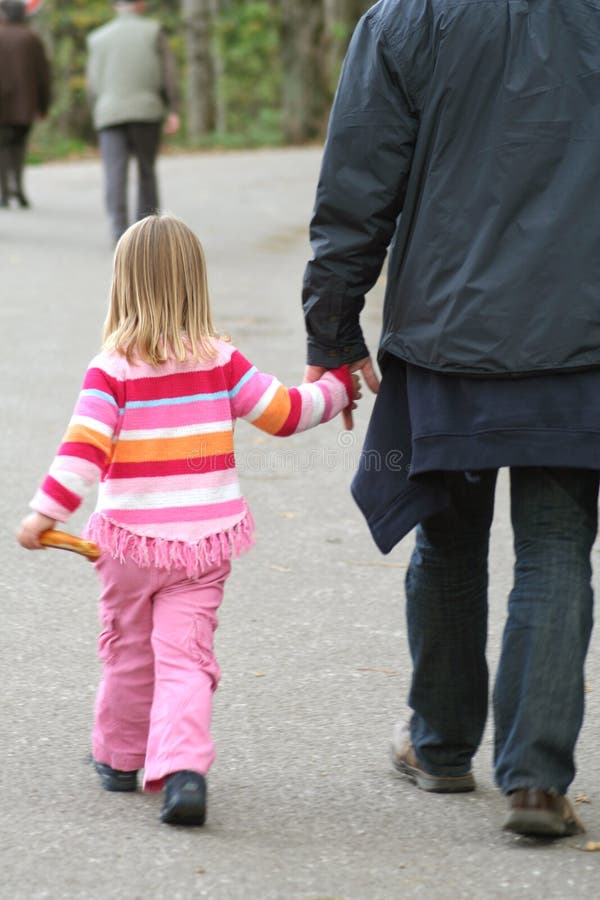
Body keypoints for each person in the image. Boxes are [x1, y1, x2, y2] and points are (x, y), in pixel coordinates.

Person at [302, 0, 600, 838]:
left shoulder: (405, 19)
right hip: (579, 333)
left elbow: (358, 185)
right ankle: (537, 783)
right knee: (555, 546)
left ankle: (438, 748)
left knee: (448, 534)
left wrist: (332, 328)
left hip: (447, 331)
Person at [16, 213, 358, 827]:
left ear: (122, 286)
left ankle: (121, 759)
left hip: (127, 549)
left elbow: (82, 452)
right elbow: (282, 413)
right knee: (185, 656)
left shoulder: (112, 369)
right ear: (196, 285)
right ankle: (183, 772)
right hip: (201, 548)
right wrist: (336, 387)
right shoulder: (221, 361)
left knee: (126, 650)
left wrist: (45, 513)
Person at [86, 1, 180, 244]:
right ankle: (148, 236)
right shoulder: (153, 30)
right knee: (146, 171)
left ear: (115, 7)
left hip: (109, 112)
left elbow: (93, 83)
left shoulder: (97, 38)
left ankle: (119, 234)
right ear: (139, 5)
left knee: (114, 173)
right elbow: (168, 74)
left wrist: (98, 109)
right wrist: (173, 109)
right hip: (146, 111)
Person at [0, 0, 51, 208]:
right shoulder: (32, 38)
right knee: (18, 147)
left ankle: (3, 192)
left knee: (2, 148)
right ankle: (18, 188)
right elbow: (43, 76)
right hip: (25, 106)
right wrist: (44, 106)